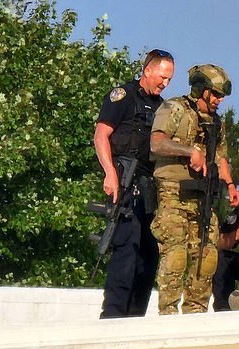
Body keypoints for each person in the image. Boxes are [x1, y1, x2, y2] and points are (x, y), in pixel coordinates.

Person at [150, 64, 239, 315]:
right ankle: (167, 316)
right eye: (215, 94)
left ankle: (196, 318)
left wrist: (231, 186)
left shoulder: (216, 122)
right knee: (176, 257)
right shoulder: (174, 108)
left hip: (204, 197)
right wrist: (190, 151)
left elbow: (221, 159)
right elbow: (156, 144)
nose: (219, 100)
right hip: (174, 193)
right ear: (200, 89)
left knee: (206, 258)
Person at [93, 49, 175, 318]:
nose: (165, 83)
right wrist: (109, 173)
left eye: (169, 79)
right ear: (148, 70)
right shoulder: (123, 96)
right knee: (126, 251)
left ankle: (135, 318)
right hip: (126, 182)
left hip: (151, 187)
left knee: (149, 256)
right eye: (162, 76)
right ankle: (113, 316)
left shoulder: (164, 108)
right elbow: (101, 135)